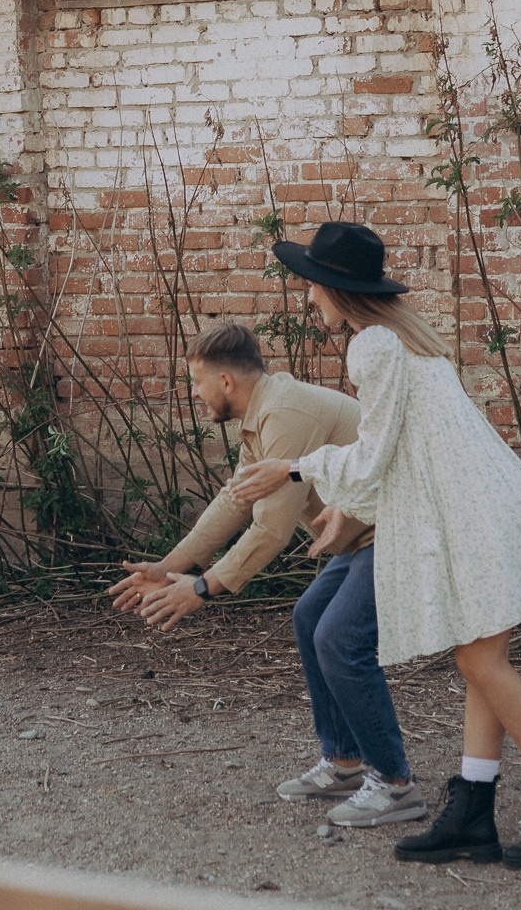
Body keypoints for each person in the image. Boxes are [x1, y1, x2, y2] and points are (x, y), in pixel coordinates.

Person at [230, 220, 521, 871]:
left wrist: (295, 469)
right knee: (478, 661)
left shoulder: (372, 346)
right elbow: (406, 456)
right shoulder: (406, 339)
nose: (308, 297)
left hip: (474, 514)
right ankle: (473, 812)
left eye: (311, 285)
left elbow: (373, 457)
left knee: (484, 664)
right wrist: (348, 508)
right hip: (484, 504)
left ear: (334, 288)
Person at [108, 320, 426, 830]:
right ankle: (345, 762)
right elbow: (235, 500)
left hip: (400, 530)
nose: (194, 394)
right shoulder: (262, 414)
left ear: (226, 381)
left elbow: (272, 529)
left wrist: (203, 588)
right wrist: (169, 567)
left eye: (196, 382)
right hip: (363, 536)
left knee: (338, 637)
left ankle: (395, 783)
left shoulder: (284, 413)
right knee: (310, 617)